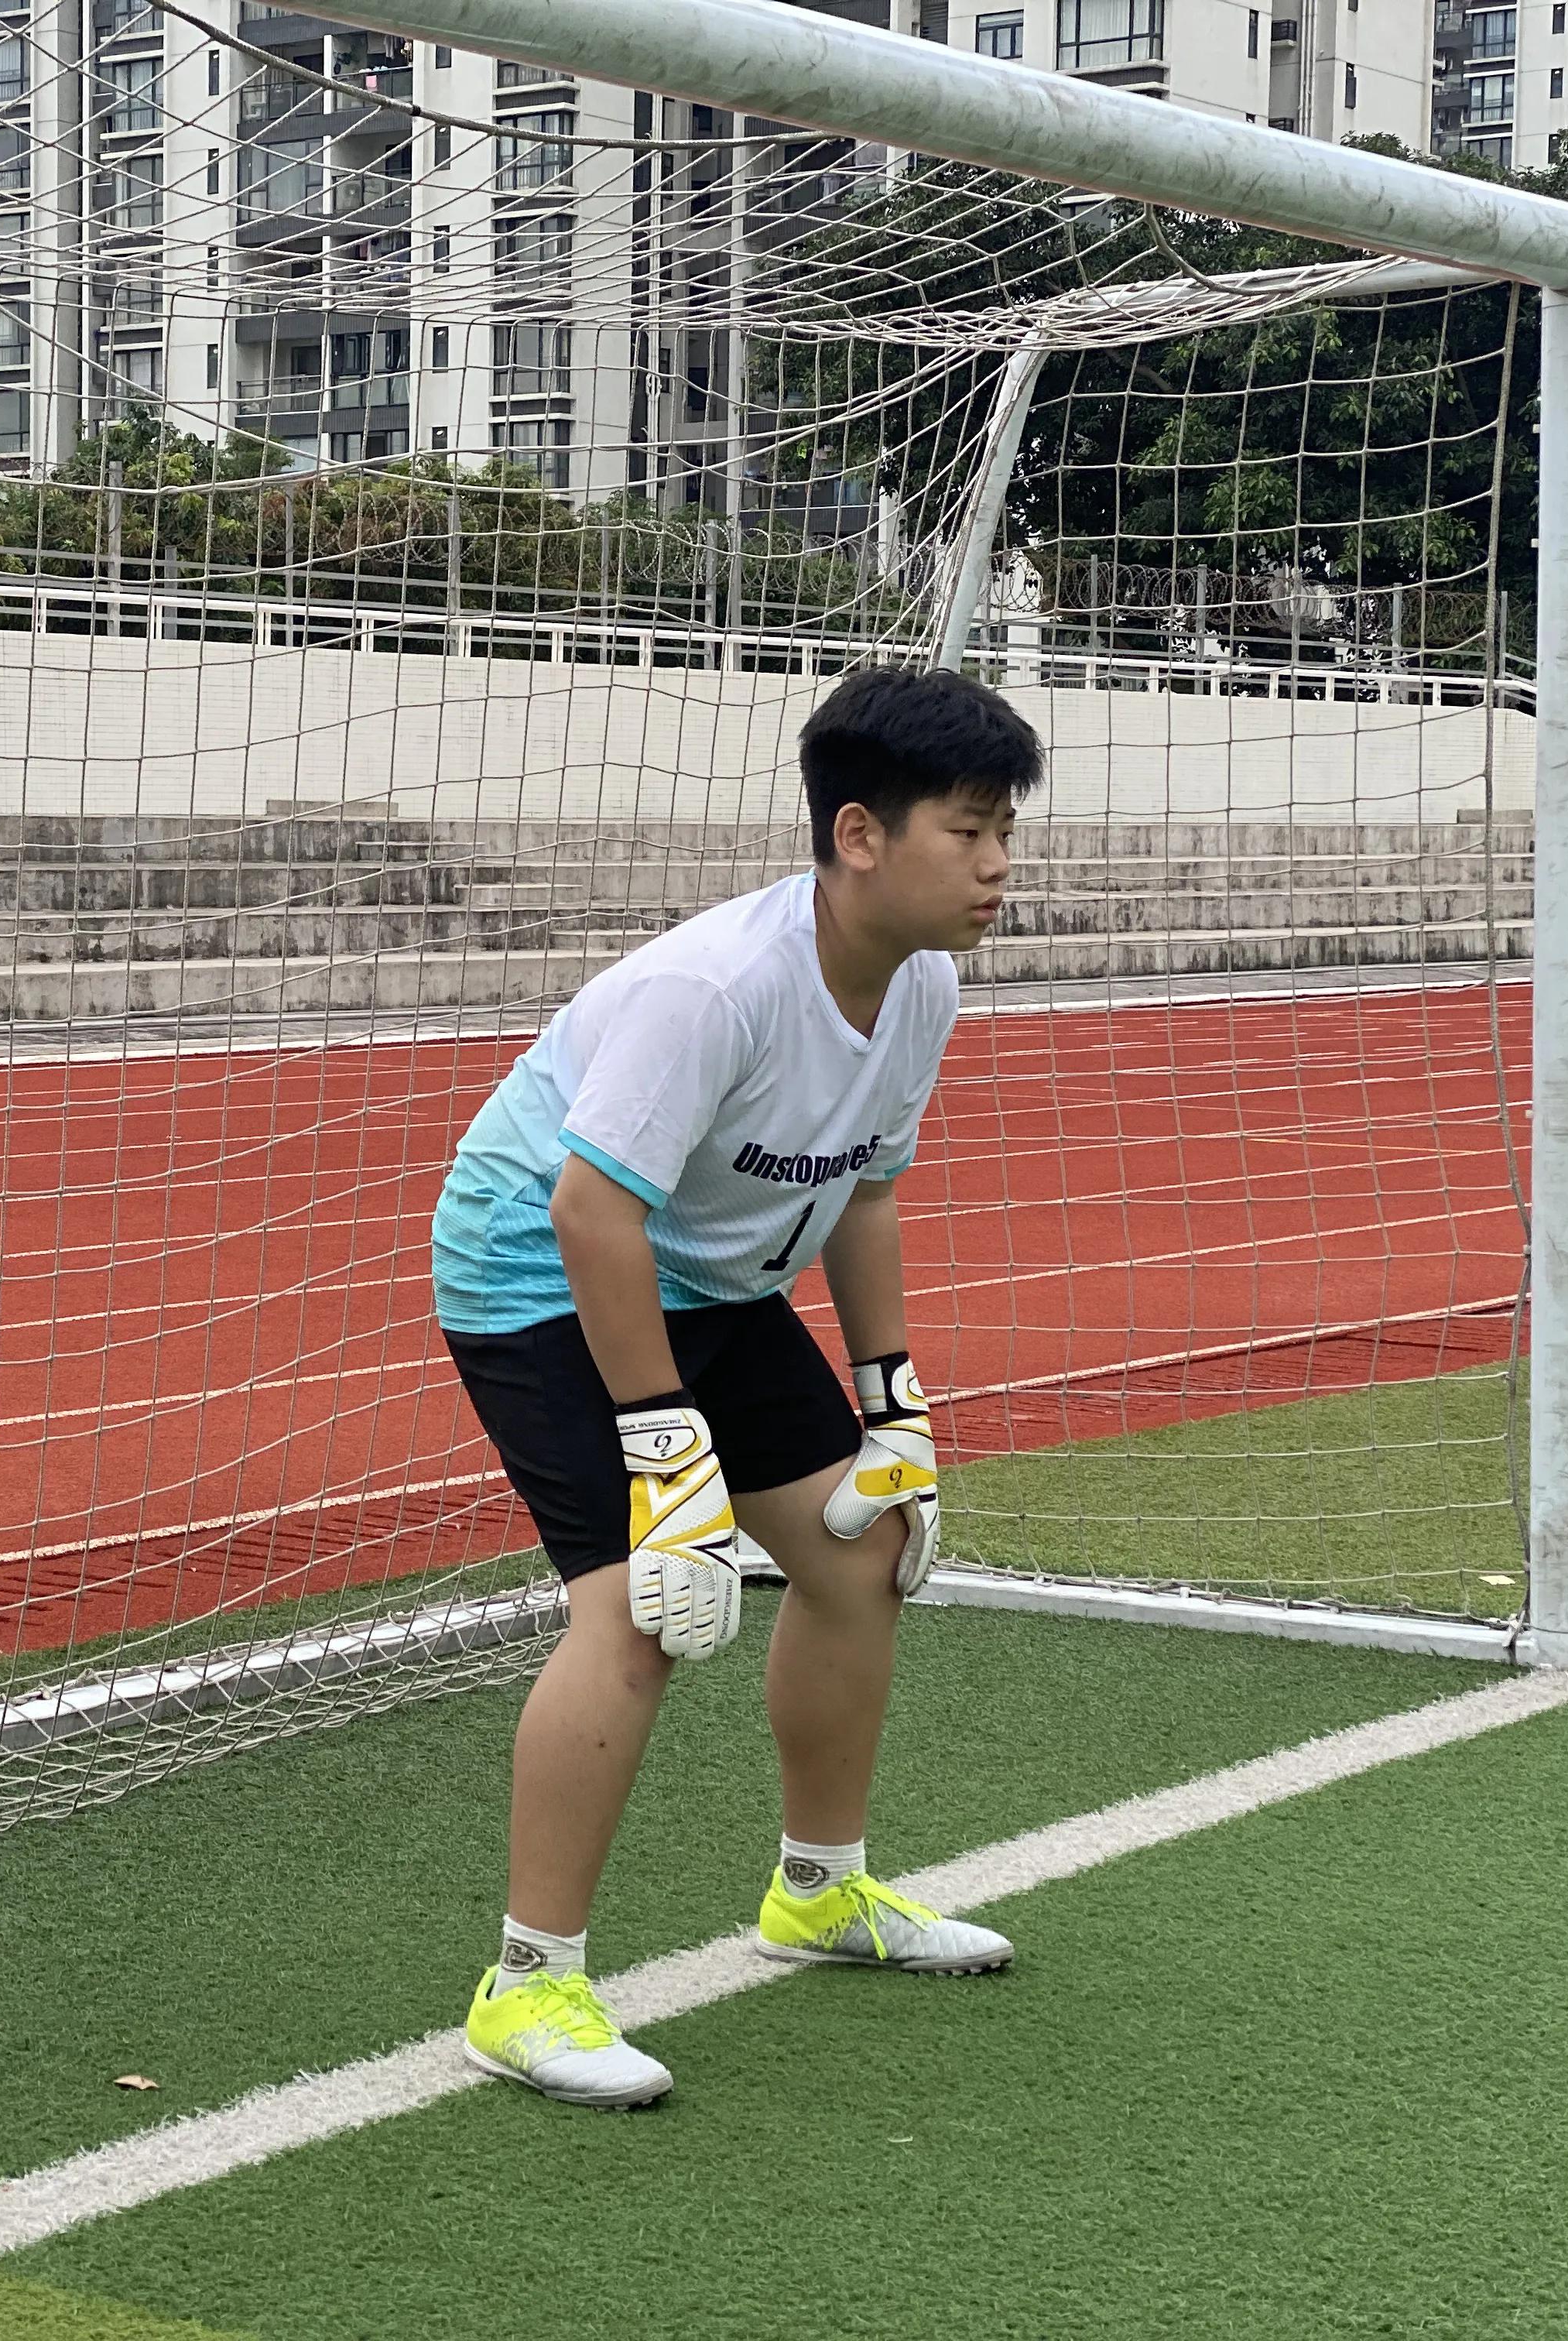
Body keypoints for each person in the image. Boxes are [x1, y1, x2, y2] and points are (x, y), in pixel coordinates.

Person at [434, 664, 1035, 2111]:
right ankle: (527, 1984)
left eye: (1004, 828)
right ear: (858, 834)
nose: (1000, 865)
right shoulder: (714, 985)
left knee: (862, 1544)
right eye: (970, 831)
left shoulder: (920, 984)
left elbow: (865, 1197)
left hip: (709, 1277)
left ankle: (818, 1892)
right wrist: (666, 1448)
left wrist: (892, 1406)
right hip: (537, 1265)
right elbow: (588, 1209)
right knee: (649, 1592)